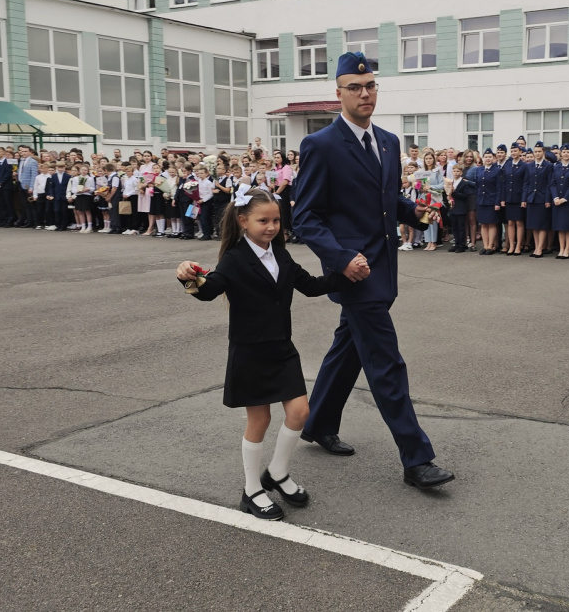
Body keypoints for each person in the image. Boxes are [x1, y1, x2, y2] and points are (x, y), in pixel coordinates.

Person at [292, 52, 454, 489]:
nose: (364, 94)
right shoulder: (321, 145)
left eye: (370, 86)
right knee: (385, 361)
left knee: (348, 349)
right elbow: (305, 217)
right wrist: (340, 258)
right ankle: (417, 459)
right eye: (355, 88)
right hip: (354, 272)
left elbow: (385, 199)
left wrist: (415, 213)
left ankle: (317, 423)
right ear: (339, 93)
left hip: (384, 266)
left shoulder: (387, 140)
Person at [177, 188, 348, 521]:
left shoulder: (281, 254)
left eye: (276, 220)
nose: (271, 227)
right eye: (263, 221)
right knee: (260, 420)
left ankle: (278, 473)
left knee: (300, 412)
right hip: (250, 350)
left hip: (282, 348)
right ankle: (252, 489)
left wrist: (347, 276)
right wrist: (188, 276)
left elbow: (310, 285)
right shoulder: (234, 258)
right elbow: (210, 290)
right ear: (243, 221)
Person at [523, 142, 554, 258]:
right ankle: (536, 247)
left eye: (539, 151)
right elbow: (526, 183)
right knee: (534, 224)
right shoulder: (529, 166)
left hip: (542, 198)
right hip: (531, 198)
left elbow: (549, 184)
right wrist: (524, 199)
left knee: (542, 224)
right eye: (535, 152)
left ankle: (540, 247)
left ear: (543, 153)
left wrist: (547, 199)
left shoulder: (548, 166)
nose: (537, 153)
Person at [550, 144, 569, 259]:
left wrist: (565, 198)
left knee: (568, 227)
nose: (566, 154)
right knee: (560, 227)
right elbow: (552, 183)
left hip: (568, 202)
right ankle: (561, 248)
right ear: (561, 154)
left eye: (568, 152)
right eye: (564, 152)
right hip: (557, 201)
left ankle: (567, 249)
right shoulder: (556, 167)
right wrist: (555, 197)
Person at [476, 148, 505, 255]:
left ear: (493, 158)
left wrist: (497, 202)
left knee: (492, 224)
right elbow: (477, 186)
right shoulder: (479, 170)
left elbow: (499, 188)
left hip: (492, 200)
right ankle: (485, 245)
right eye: (486, 157)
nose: (488, 159)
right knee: (483, 224)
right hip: (481, 200)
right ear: (483, 158)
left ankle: (490, 246)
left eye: (490, 157)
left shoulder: (497, 170)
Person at [501, 144, 527, 256]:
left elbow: (525, 184)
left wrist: (524, 199)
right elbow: (504, 183)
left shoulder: (524, 166)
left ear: (520, 152)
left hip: (519, 197)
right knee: (510, 222)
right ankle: (511, 245)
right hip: (509, 197)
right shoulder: (507, 165)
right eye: (512, 151)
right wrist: (503, 198)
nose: (513, 153)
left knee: (519, 222)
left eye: (515, 151)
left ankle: (518, 245)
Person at [447, 166, 474, 252]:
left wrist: (454, 192)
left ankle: (462, 244)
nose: (456, 173)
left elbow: (465, 195)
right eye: (454, 171)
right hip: (452, 207)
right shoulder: (451, 182)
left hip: (461, 207)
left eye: (457, 171)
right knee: (454, 227)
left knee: (461, 227)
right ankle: (457, 243)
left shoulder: (464, 183)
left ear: (461, 173)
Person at [43, 162, 71, 231]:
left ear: (64, 168)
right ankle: (58, 224)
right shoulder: (54, 176)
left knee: (64, 211)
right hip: (56, 196)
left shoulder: (68, 176)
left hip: (64, 195)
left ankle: (64, 225)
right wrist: (51, 194)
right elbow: (52, 187)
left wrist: (68, 195)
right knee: (56, 210)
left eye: (62, 167)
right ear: (56, 168)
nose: (60, 169)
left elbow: (69, 186)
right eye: (59, 167)